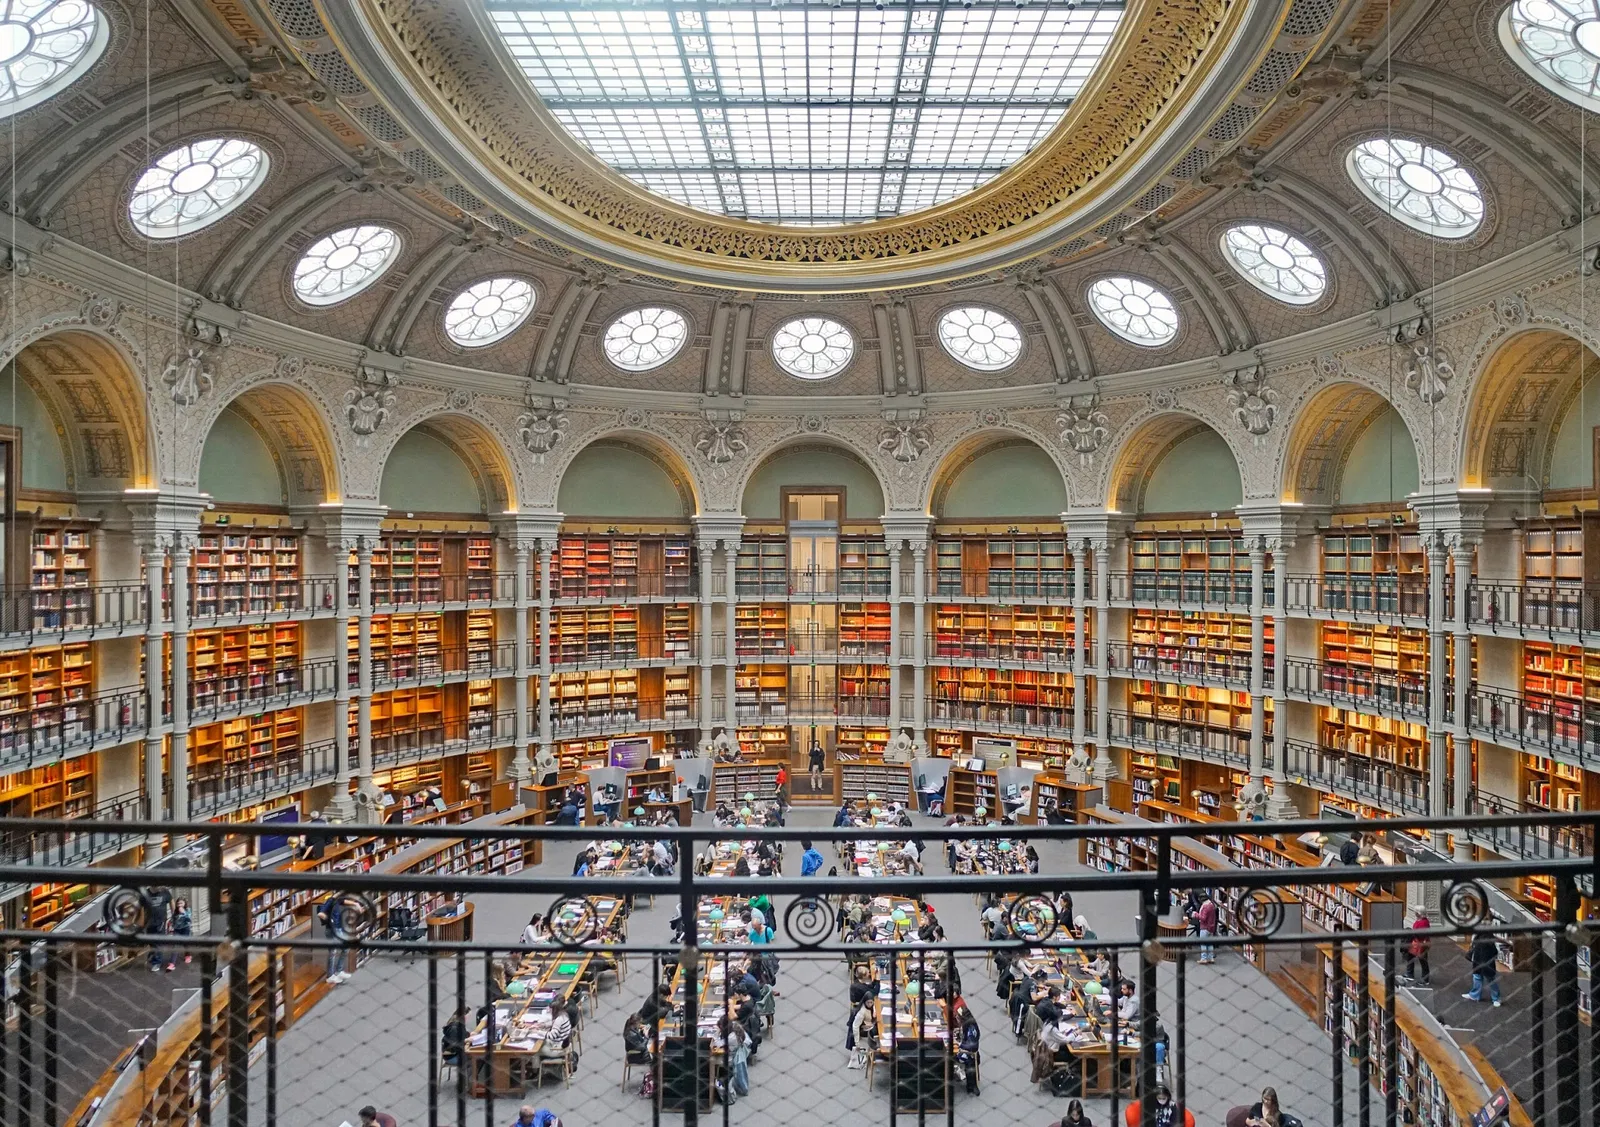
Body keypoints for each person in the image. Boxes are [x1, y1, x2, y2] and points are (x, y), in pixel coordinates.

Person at [1462, 933, 1502, 1005]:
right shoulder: (1478, 936)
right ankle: (1474, 995)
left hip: (1487, 962)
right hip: (1478, 960)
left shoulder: (1487, 938)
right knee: (1477, 977)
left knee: (1490, 979)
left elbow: (1494, 952)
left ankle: (1496, 999)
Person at [316, 892, 346, 983]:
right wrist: (328, 919)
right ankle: (330, 976)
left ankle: (339, 971)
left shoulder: (337, 900)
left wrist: (356, 904)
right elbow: (320, 914)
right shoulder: (330, 901)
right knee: (333, 952)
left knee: (345, 948)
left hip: (338, 929)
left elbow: (344, 901)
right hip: (332, 930)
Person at [144, 885, 173, 972]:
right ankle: (153, 954)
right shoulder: (145, 893)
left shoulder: (165, 892)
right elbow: (141, 908)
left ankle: (157, 962)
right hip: (149, 922)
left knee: (159, 943)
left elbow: (171, 901)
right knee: (151, 941)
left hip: (161, 922)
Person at [1401, 912, 1432, 985]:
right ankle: (1410, 974)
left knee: (1423, 961)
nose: (1415, 913)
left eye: (1416, 912)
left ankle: (1425, 979)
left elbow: (1420, 934)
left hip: (1420, 944)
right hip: (1417, 943)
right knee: (1411, 957)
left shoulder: (1423, 922)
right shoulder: (1422, 920)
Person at [955, 1012, 981, 1095]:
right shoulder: (967, 1025)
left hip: (969, 1053)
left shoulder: (971, 1029)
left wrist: (959, 1045)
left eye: (958, 1018)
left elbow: (971, 1046)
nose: (957, 1019)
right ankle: (971, 1085)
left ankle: (971, 1085)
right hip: (966, 1051)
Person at [847, 994, 876, 1068]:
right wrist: (857, 1043)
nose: (870, 1004)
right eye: (868, 1003)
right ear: (864, 1002)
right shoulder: (861, 1012)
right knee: (876, 1031)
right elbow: (855, 1027)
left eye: (871, 1002)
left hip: (869, 1025)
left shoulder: (872, 1007)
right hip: (864, 1029)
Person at [168, 897, 193, 969]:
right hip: (177, 930)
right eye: (178, 903)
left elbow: (189, 919)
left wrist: (184, 913)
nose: (179, 905)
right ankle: (172, 964)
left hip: (185, 929)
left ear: (184, 904)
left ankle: (188, 955)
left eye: (181, 903)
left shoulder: (188, 910)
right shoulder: (176, 911)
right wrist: (171, 925)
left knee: (186, 944)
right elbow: (173, 919)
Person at [1194, 894, 1218, 965]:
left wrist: (1195, 914)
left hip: (1205, 927)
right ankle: (1211, 958)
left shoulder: (1205, 907)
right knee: (1210, 944)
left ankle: (1203, 958)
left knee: (1203, 944)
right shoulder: (1211, 905)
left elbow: (1203, 918)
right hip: (1211, 927)